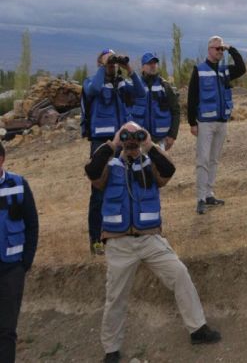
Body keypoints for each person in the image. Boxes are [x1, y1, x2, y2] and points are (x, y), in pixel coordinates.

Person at [85, 122, 221, 363]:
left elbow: (169, 170)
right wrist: (113, 143)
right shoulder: (110, 166)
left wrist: (148, 144)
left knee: (179, 274)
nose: (131, 143)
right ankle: (111, 349)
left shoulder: (150, 164)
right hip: (119, 243)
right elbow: (92, 171)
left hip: (150, 239)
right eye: (127, 139)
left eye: (135, 138)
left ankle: (197, 329)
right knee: (115, 297)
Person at [83, 50, 146, 256]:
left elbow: (141, 93)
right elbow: (93, 90)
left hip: (122, 141)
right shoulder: (91, 81)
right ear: (99, 62)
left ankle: (123, 231)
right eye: (107, 58)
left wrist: (129, 69)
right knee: (98, 192)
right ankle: (96, 239)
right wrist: (104, 66)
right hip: (101, 142)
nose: (112, 62)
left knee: (125, 184)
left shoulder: (121, 84)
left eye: (113, 59)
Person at [187, 36, 246, 214]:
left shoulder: (224, 71)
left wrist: (230, 48)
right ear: (209, 50)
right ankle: (200, 198)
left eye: (221, 49)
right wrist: (192, 122)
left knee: (214, 160)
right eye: (217, 48)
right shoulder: (199, 70)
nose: (220, 51)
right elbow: (192, 97)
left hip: (221, 122)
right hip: (205, 123)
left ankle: (209, 194)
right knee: (203, 160)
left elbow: (241, 68)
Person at [0, 142, 39, 363]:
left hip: (11, 268)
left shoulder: (18, 184)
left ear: (2, 159)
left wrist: (26, 261)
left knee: (6, 329)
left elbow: (32, 223)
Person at [131, 53, 180, 151]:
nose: (153, 66)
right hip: (139, 138)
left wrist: (172, 135)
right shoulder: (135, 86)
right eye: (149, 63)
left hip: (160, 139)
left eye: (154, 63)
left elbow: (175, 111)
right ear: (143, 67)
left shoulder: (165, 86)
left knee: (159, 161)